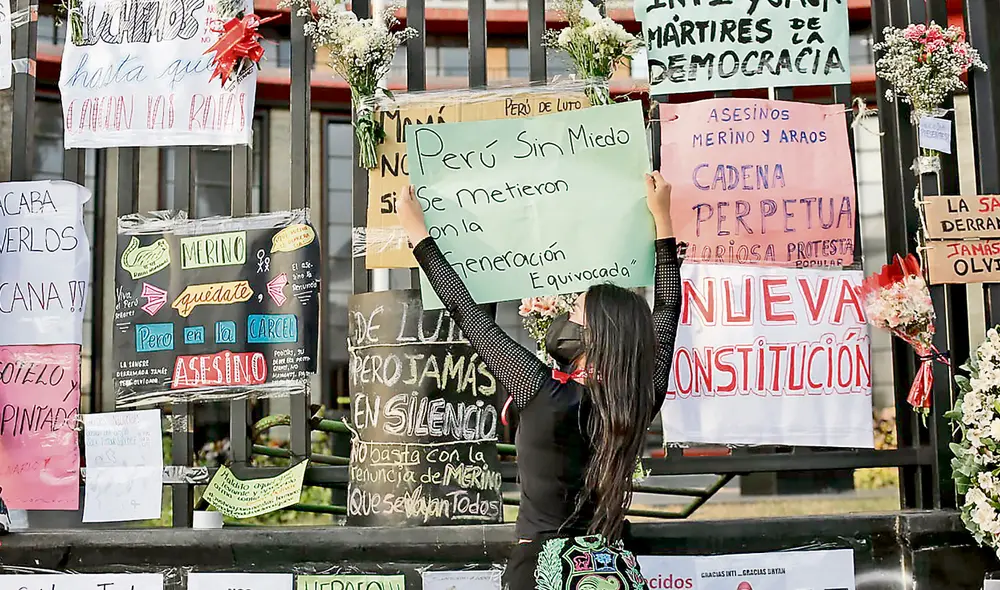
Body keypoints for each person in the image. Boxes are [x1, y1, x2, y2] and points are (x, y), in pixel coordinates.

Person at [396, 171, 682, 590]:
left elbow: (466, 312)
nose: (566, 316)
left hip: (539, 570)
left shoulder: (541, 389)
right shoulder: (640, 396)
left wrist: (417, 234)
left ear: (594, 336)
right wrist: (662, 220)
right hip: (610, 571)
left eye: (576, 311)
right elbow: (669, 306)